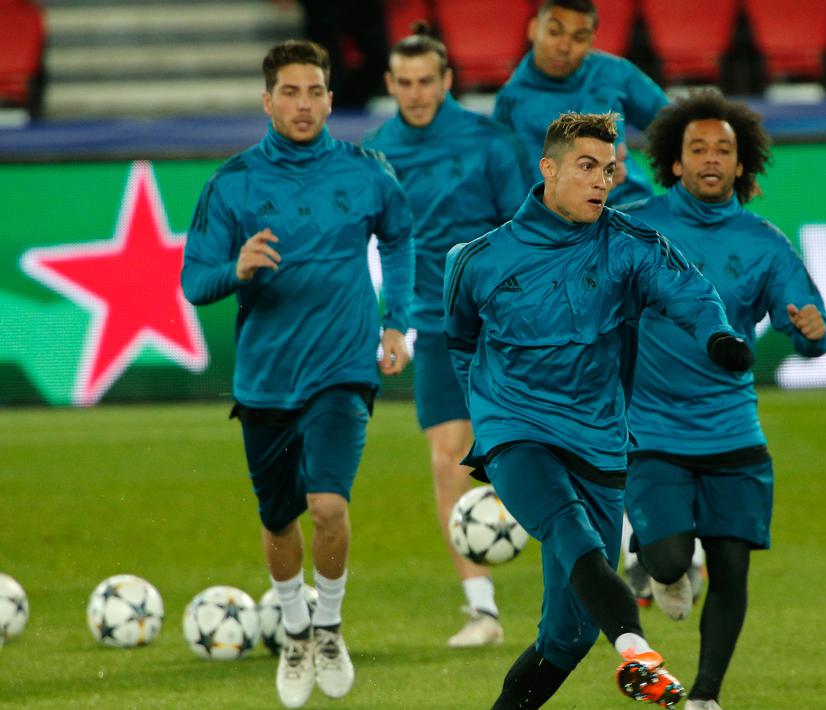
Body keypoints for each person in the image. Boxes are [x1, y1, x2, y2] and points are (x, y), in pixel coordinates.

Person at [444, 112, 754, 709]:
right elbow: (459, 340)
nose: (600, 181)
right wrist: (487, 417)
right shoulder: (478, 258)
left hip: (599, 442)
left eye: (609, 170)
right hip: (518, 433)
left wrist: (718, 337)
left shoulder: (630, 246)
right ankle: (637, 650)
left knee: (567, 635)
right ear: (549, 168)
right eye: (586, 167)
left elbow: (691, 293)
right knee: (570, 530)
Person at [181, 40, 414, 709]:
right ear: (267, 101)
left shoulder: (368, 172)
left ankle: (330, 628)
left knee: (328, 505)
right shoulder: (231, 184)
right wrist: (237, 270)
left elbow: (398, 236)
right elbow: (194, 281)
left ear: (331, 100)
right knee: (279, 520)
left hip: (343, 367)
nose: (304, 104)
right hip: (265, 378)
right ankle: (292, 630)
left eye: (314, 92)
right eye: (290, 92)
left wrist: (396, 321)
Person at [616, 90, 826, 710]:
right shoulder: (639, 227)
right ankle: (660, 567)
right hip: (652, 429)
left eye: (724, 150)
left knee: (733, 568)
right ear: (674, 163)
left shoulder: (765, 243)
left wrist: (812, 333)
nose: (711, 158)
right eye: (697, 148)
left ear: (742, 165)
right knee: (667, 561)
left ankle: (706, 697)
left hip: (732, 429)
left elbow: (810, 329)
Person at [364, 22, 532, 649]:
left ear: (447, 81)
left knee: (551, 451)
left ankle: (622, 553)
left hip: (507, 327)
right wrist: (393, 322)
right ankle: (482, 610)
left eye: (426, 81)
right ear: (389, 84)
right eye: (403, 83)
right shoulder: (377, 152)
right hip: (436, 330)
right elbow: (387, 244)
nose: (415, 92)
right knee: (446, 463)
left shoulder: (489, 142)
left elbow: (523, 230)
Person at [493, 0, 668, 206]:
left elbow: (674, 126)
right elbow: (520, 191)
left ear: (591, 40)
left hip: (633, 205)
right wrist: (591, 182)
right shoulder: (510, 104)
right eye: (554, 32)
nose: (564, 47)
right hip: (561, 224)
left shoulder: (613, 72)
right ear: (533, 30)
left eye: (579, 37)